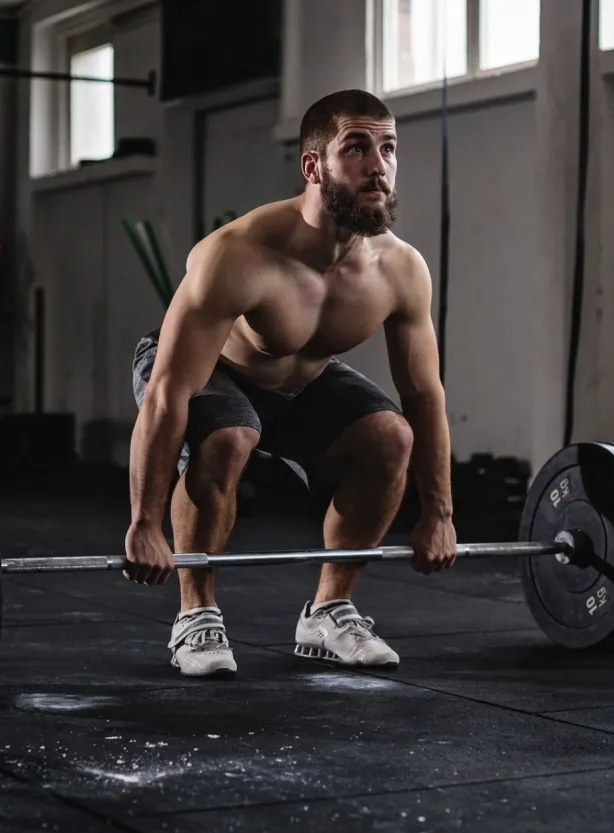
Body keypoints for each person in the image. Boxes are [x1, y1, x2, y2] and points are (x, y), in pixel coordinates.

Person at [125, 89, 456, 677]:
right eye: (356, 148)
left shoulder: (400, 269)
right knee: (228, 437)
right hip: (210, 369)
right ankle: (195, 615)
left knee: (391, 438)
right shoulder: (237, 254)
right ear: (313, 166)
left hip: (304, 379)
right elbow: (168, 393)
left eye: (388, 148)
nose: (378, 165)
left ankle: (329, 611)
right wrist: (145, 522)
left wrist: (440, 512)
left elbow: (424, 395)